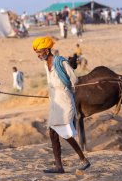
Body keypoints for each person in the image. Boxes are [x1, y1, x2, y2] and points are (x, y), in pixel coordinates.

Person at [32, 36, 90, 173]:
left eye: (39, 52)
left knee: (64, 133)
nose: (38, 55)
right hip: (54, 103)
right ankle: (59, 166)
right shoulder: (45, 64)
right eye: (37, 53)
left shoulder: (60, 62)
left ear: (47, 50)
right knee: (53, 133)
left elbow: (74, 79)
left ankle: (83, 160)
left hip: (64, 101)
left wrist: (64, 87)